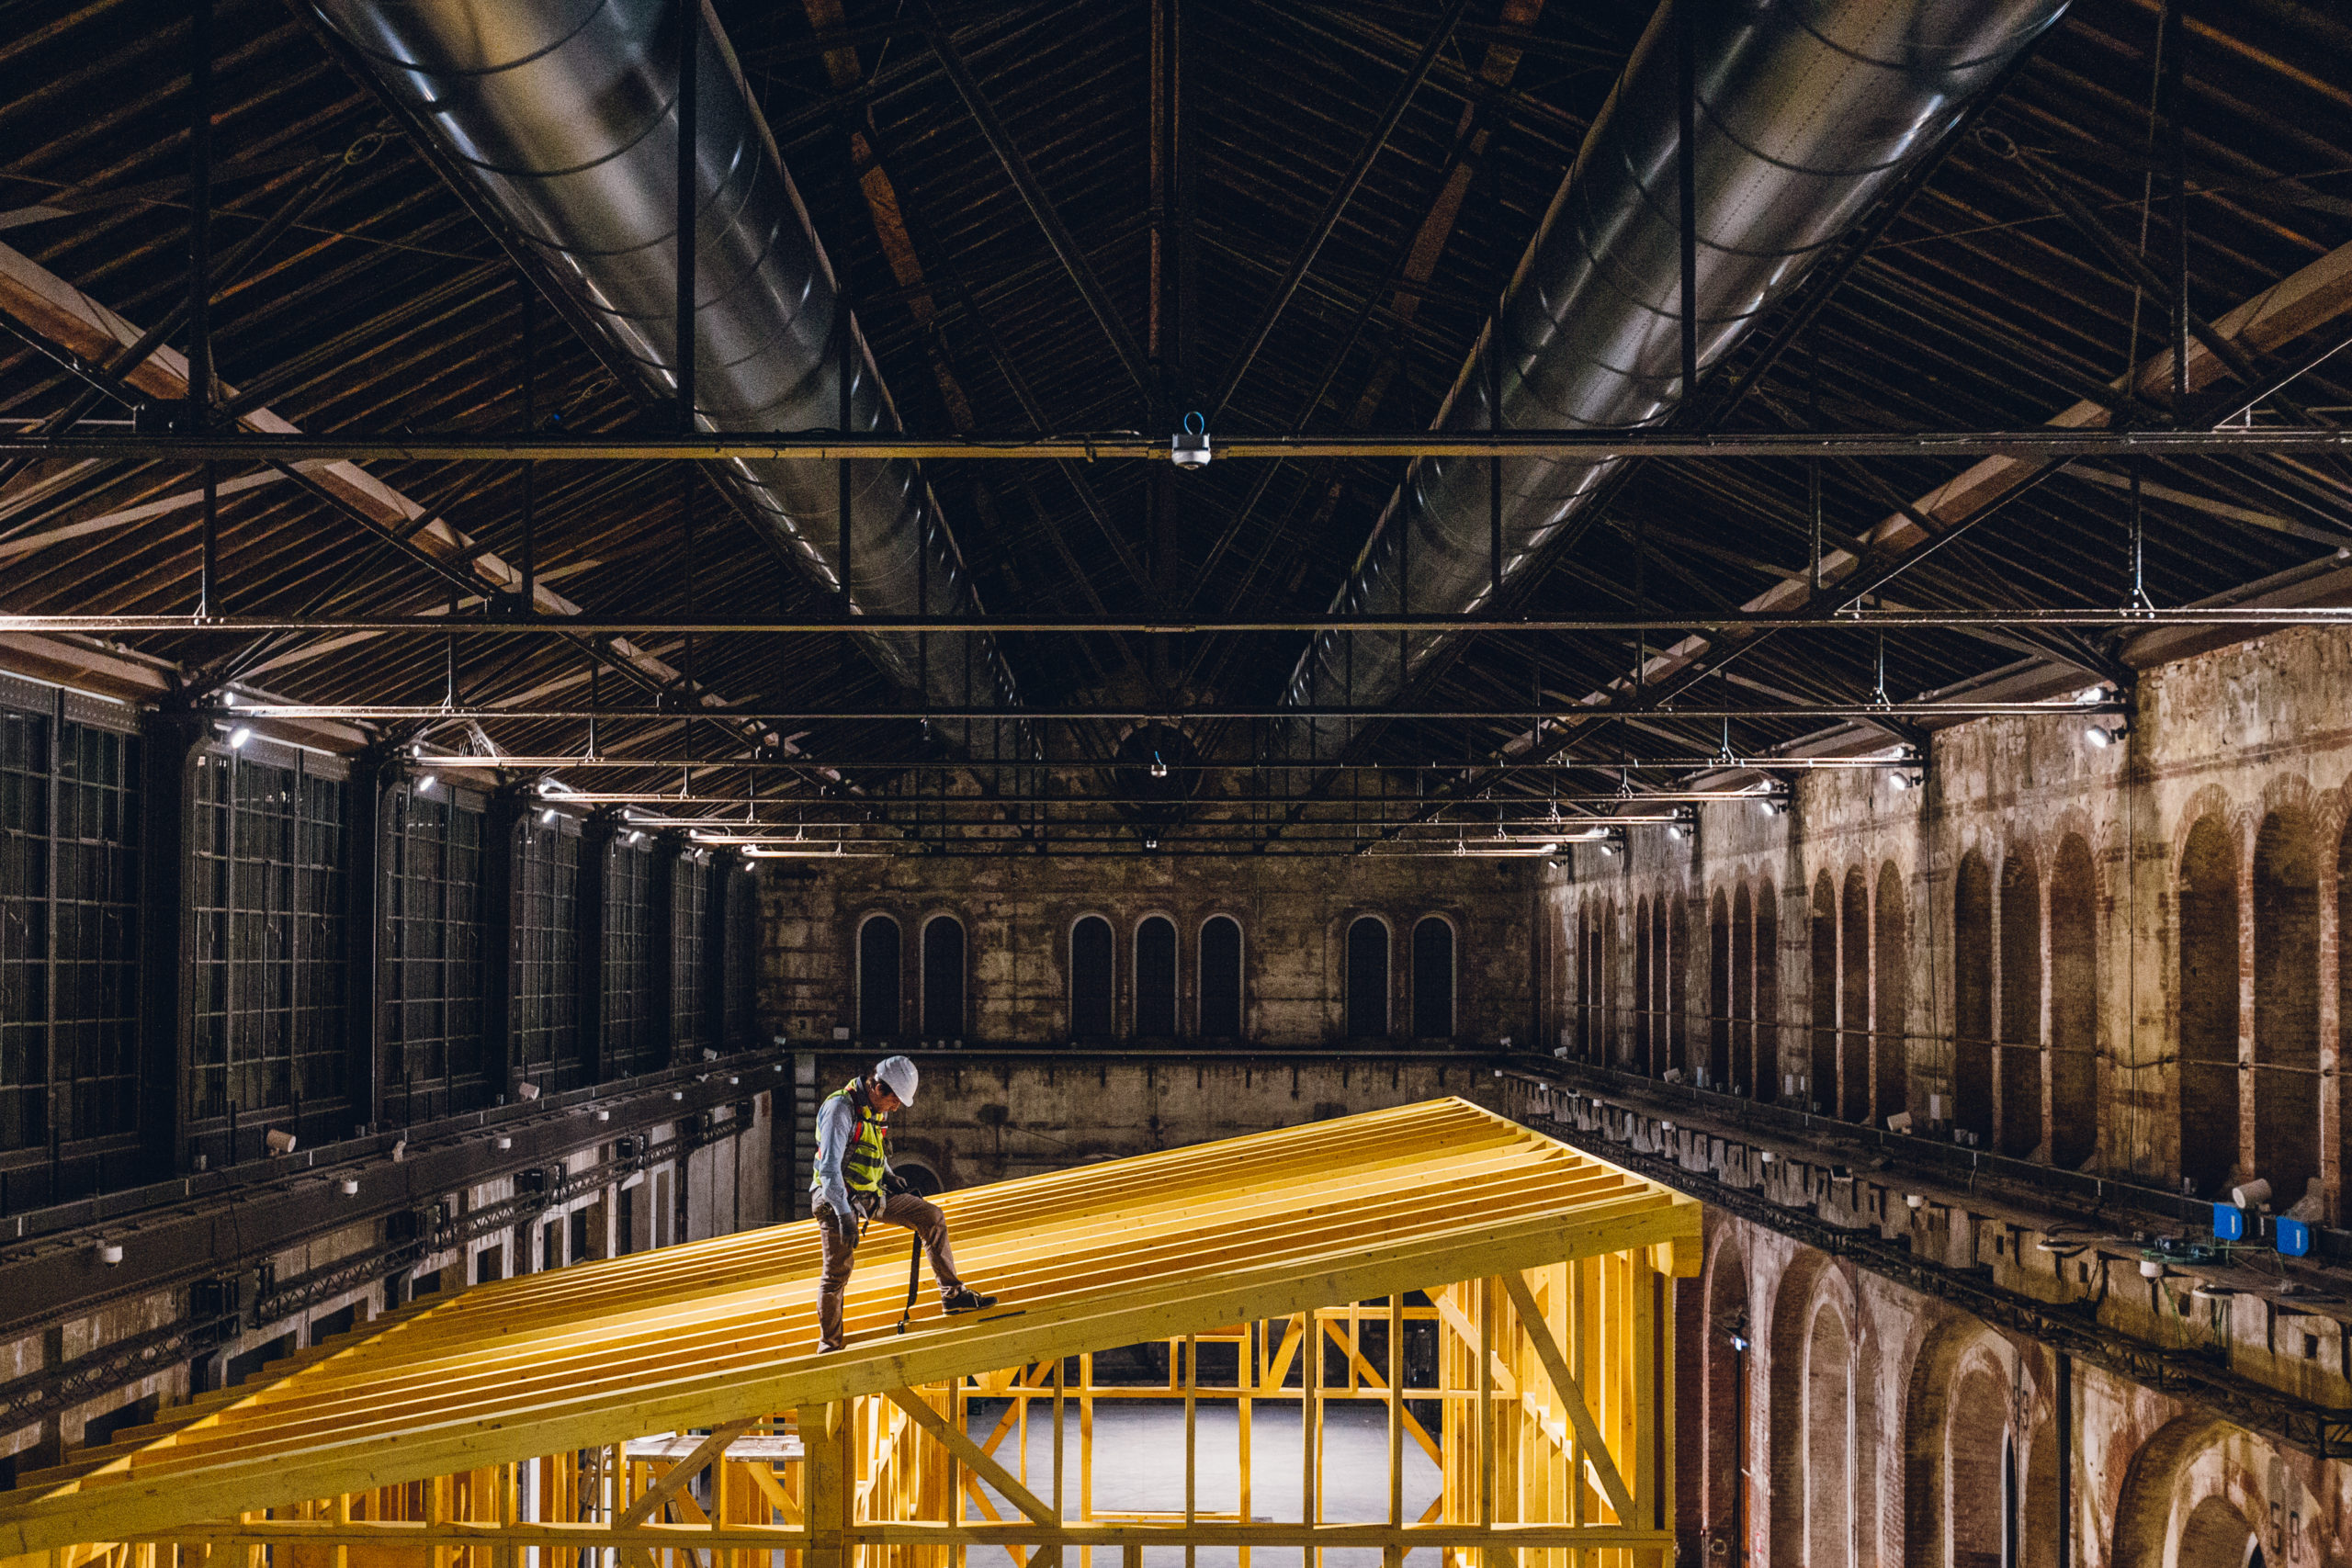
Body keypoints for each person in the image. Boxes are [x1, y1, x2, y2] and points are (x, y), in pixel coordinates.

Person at [809, 1055, 994, 1351]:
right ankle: (829, 1344)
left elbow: (869, 1148)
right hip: (834, 1199)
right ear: (879, 1088)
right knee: (836, 1274)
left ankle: (952, 1296)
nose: (897, 1107)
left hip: (869, 1195)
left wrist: (889, 1175)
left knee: (931, 1217)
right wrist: (844, 1216)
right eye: (895, 1100)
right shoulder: (839, 1110)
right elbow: (830, 1170)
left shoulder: (875, 1109)